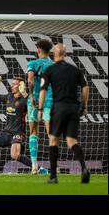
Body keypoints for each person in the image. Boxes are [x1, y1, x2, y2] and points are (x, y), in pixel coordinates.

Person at [0, 76, 45, 174]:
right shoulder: (9, 97)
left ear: (20, 86)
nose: (12, 86)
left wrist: (25, 94)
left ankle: (38, 168)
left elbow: (33, 105)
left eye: (14, 84)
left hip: (18, 133)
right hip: (6, 132)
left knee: (14, 155)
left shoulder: (25, 100)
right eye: (12, 83)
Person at [38, 43, 90, 184]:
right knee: (72, 141)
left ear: (53, 54)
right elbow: (85, 88)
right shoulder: (75, 70)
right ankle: (84, 168)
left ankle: (53, 176)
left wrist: (40, 109)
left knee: (53, 140)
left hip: (59, 108)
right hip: (73, 108)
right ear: (65, 54)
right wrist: (84, 106)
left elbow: (43, 90)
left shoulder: (49, 70)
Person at [26, 39, 54, 174]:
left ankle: (34, 166)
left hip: (35, 101)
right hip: (50, 101)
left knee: (33, 132)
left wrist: (31, 96)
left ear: (38, 50)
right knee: (51, 133)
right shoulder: (54, 65)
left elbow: (30, 80)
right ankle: (55, 165)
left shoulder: (32, 63)